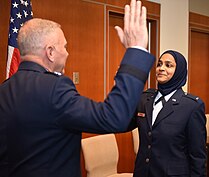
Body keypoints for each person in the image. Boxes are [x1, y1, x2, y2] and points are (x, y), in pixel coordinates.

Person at [0, 0, 155, 177]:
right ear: (50, 52)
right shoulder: (55, 88)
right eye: (64, 46)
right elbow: (113, 117)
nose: (67, 53)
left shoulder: (4, 90)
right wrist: (136, 51)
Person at [129, 50, 207, 177]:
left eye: (168, 65)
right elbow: (122, 124)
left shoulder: (192, 106)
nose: (161, 68)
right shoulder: (144, 99)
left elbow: (197, 156)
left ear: (179, 71)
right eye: (159, 64)